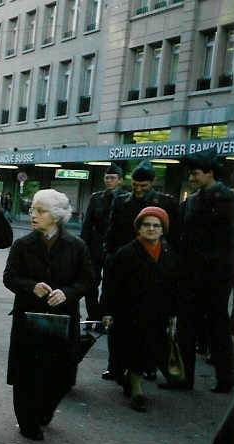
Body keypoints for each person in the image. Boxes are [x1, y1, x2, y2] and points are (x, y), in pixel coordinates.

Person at [3, 189, 93, 440]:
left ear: (56, 216)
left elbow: (87, 280)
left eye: (40, 211)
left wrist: (67, 293)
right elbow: (9, 277)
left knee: (61, 375)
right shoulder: (22, 245)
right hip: (28, 318)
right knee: (25, 375)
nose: (33, 214)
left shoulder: (77, 246)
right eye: (33, 209)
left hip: (63, 319)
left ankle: (44, 412)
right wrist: (31, 286)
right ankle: (27, 423)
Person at [101, 159, 178, 382]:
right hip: (124, 266)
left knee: (152, 322)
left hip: (153, 269)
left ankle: (148, 366)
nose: (138, 190)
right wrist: (109, 259)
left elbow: (173, 237)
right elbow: (111, 233)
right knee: (118, 320)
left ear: (152, 183)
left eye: (143, 186)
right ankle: (115, 366)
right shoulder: (121, 201)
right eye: (135, 185)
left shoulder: (166, 203)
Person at [101, 207, 182, 411]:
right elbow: (111, 285)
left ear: (163, 230)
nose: (151, 229)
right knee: (130, 350)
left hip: (158, 314)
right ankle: (134, 388)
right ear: (139, 228)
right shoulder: (126, 253)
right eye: (146, 225)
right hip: (129, 314)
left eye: (156, 225)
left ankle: (133, 383)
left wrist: (174, 313)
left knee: (148, 351)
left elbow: (175, 286)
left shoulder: (169, 254)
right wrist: (107, 312)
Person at [172, 148, 234, 394]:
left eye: (196, 173)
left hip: (217, 276)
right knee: (185, 327)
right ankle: (183, 377)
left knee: (217, 327)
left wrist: (221, 268)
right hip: (191, 275)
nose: (192, 178)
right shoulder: (191, 201)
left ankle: (226, 378)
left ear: (210, 173)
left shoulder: (230, 200)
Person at [80, 163, 128, 323]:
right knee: (91, 283)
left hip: (115, 249)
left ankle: (104, 318)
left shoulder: (126, 198)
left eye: (113, 178)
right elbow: (87, 224)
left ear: (120, 180)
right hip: (95, 248)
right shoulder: (96, 198)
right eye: (107, 178)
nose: (109, 181)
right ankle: (93, 316)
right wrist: (83, 247)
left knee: (110, 285)